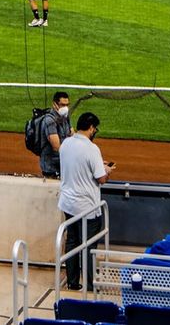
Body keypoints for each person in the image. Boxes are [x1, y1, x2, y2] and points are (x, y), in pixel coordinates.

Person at [56, 110, 112, 291]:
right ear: (91, 128)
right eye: (95, 129)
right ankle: (89, 285)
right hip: (87, 207)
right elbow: (101, 178)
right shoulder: (91, 148)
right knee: (89, 246)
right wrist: (107, 170)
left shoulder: (65, 144)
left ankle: (73, 282)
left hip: (68, 203)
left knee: (72, 242)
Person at [33, 91, 70, 178]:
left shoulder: (65, 117)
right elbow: (56, 147)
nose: (66, 108)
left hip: (62, 162)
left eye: (67, 105)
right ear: (55, 104)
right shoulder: (49, 120)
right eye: (62, 105)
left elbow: (72, 134)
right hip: (51, 167)